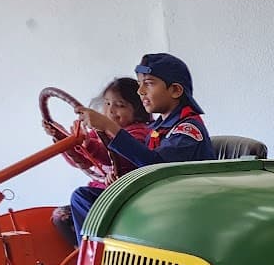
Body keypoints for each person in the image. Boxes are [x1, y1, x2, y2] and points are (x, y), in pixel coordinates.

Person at [69, 52, 214, 225]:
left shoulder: (187, 129)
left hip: (181, 207)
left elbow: (157, 167)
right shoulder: (157, 128)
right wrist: (119, 177)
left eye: (149, 84)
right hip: (156, 199)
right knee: (84, 197)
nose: (140, 91)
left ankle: (106, 249)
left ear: (175, 90)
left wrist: (109, 127)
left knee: (82, 198)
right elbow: (141, 165)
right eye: (139, 84)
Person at [50, 77, 152, 242]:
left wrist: (90, 145)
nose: (111, 111)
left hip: (124, 196)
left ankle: (95, 249)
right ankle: (82, 251)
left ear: (139, 110)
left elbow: (117, 156)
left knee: (80, 196)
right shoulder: (97, 133)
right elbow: (82, 162)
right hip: (102, 192)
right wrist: (63, 141)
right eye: (107, 103)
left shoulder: (137, 133)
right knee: (60, 217)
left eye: (120, 105)